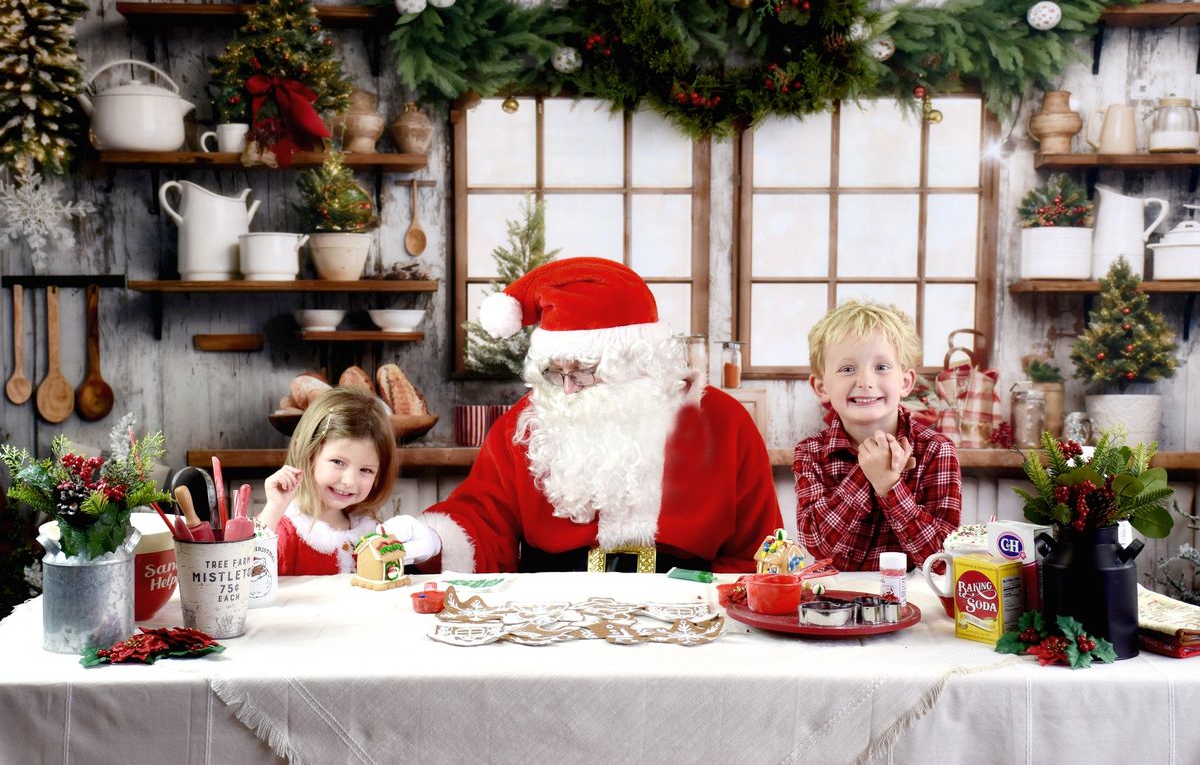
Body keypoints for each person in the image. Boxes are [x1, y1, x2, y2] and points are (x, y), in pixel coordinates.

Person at [383, 256, 784, 574]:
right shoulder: (528, 423)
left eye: (583, 372)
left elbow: (758, 553)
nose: (568, 389)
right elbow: (484, 516)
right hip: (551, 616)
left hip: (686, 614)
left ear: (635, 362)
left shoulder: (724, 422)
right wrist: (434, 538)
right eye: (555, 374)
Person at [793, 300, 960, 571]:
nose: (866, 381)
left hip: (915, 598)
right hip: (837, 599)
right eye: (848, 369)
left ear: (905, 382)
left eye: (881, 367)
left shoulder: (936, 450)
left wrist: (889, 485)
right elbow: (817, 543)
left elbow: (942, 562)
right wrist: (866, 473)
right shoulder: (810, 452)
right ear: (822, 387)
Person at [258, 386, 399, 575]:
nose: (349, 481)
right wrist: (274, 507)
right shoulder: (287, 529)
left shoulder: (370, 530)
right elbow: (247, 574)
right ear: (308, 453)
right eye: (338, 462)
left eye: (366, 470)